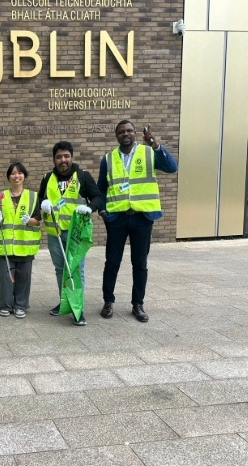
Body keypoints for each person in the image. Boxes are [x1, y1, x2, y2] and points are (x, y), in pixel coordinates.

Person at [98, 121, 178, 323]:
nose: (126, 134)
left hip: (142, 218)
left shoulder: (149, 152)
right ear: (116, 135)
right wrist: (103, 211)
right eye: (121, 131)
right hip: (117, 218)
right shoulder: (108, 159)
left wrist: (156, 145)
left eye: (129, 131)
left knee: (140, 263)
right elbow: (101, 188)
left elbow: (172, 168)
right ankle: (108, 301)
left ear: (135, 134)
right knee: (112, 262)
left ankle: (138, 304)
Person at [38, 141, 103, 326]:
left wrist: (89, 208)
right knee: (60, 270)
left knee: (76, 270)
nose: (63, 160)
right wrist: (43, 203)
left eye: (66, 156)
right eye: (59, 157)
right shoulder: (47, 177)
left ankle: (77, 308)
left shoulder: (83, 176)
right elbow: (41, 199)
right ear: (54, 159)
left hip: (76, 233)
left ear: (72, 157)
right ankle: (65, 302)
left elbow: (98, 197)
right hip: (55, 233)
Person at [0, 163, 42, 318]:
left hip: (25, 245)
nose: (16, 176)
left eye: (20, 173)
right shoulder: (1, 197)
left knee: (23, 278)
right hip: (6, 246)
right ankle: (5, 305)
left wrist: (30, 220)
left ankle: (20, 305)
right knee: (6, 279)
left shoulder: (33, 196)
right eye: (13, 173)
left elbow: (39, 220)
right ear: (8, 177)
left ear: (24, 176)